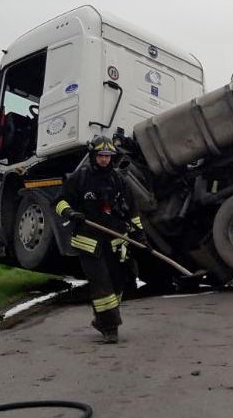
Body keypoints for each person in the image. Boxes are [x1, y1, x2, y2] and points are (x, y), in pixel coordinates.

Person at [55, 136, 145, 343]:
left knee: (119, 283)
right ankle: (110, 327)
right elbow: (59, 202)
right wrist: (70, 213)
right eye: (101, 156)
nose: (104, 160)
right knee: (102, 284)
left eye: (108, 156)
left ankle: (102, 319)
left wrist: (140, 236)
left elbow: (133, 212)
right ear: (93, 156)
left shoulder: (120, 180)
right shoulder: (80, 178)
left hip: (116, 242)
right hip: (89, 242)